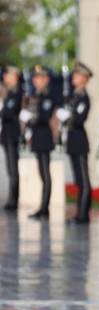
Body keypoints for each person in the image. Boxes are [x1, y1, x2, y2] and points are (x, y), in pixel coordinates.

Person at [59, 61, 93, 223]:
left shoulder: (84, 97)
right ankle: (80, 212)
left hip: (79, 140)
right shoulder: (74, 96)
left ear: (84, 78)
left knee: (83, 180)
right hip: (73, 140)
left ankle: (83, 214)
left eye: (77, 75)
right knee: (78, 180)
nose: (73, 77)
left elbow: (79, 119)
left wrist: (68, 118)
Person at [21, 65, 55, 219]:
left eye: (39, 77)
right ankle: (42, 207)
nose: (36, 80)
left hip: (44, 136)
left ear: (46, 80)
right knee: (41, 172)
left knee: (45, 173)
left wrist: (30, 120)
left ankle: (45, 208)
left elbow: (44, 117)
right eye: (35, 77)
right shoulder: (35, 96)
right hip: (37, 136)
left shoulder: (47, 97)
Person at [1, 65, 22, 211]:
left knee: (13, 169)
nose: (4, 77)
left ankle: (14, 200)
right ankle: (11, 199)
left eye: (7, 75)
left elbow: (8, 113)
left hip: (12, 135)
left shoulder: (17, 93)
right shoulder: (9, 93)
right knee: (10, 168)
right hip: (6, 134)